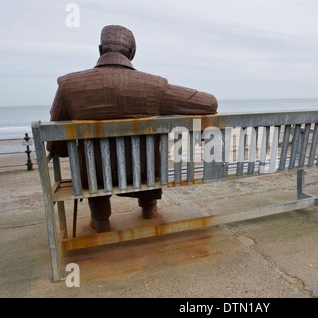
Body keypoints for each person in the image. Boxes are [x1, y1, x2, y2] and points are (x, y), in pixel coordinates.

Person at [47, 25, 218, 232]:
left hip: (95, 177)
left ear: (101, 49)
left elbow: (56, 143)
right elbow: (209, 103)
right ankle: (148, 208)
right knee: (146, 157)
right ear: (131, 53)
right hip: (144, 174)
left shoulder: (69, 84)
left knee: (93, 166)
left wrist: (61, 150)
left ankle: (100, 219)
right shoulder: (154, 85)